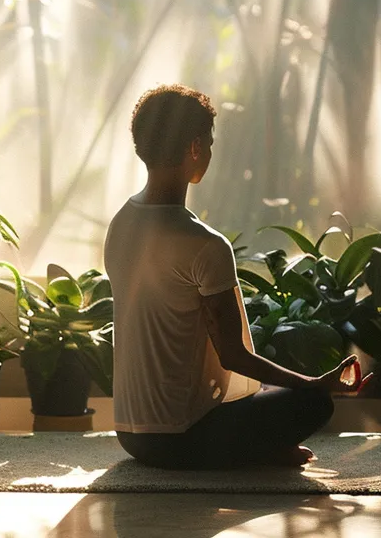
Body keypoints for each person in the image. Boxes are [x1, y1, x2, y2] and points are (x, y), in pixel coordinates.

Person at [103, 84, 366, 471]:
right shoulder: (204, 243)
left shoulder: (120, 223)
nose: (209, 153)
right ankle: (254, 453)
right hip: (182, 436)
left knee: (275, 393)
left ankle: (254, 450)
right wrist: (312, 384)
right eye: (208, 143)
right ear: (194, 147)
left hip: (131, 436)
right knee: (313, 402)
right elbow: (233, 355)